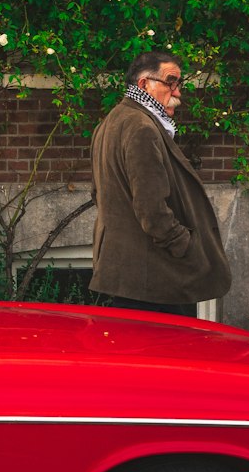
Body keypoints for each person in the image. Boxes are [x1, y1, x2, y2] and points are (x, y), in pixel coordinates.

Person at [90, 50, 230, 316]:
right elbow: (152, 210)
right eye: (171, 82)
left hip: (126, 273)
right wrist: (184, 245)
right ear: (144, 84)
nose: (177, 93)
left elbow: (98, 194)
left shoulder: (110, 123)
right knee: (167, 351)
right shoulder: (142, 128)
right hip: (153, 277)